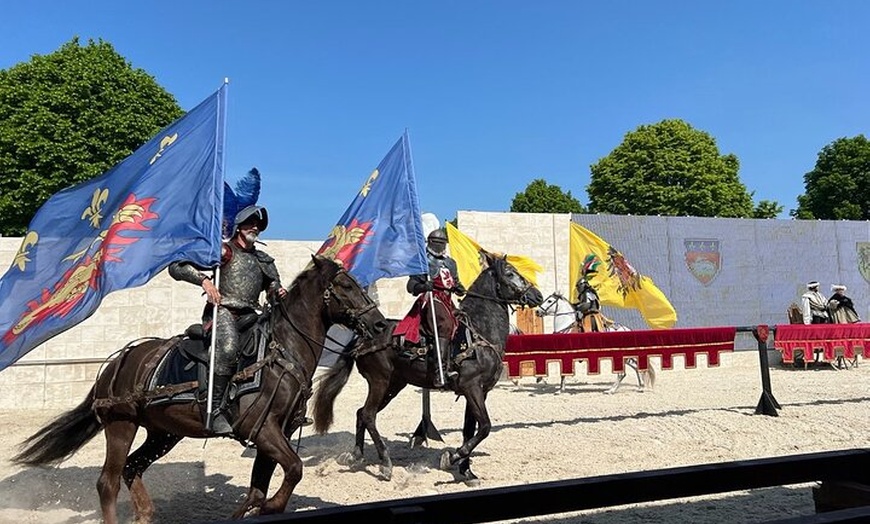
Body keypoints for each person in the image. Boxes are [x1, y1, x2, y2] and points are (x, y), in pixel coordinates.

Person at [168, 205, 287, 435]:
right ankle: (215, 410)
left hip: (251, 315)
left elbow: (272, 287)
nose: (255, 228)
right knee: (229, 346)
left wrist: (278, 292)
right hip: (223, 311)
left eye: (258, 225)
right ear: (239, 227)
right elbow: (177, 267)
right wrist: (204, 281)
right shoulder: (223, 251)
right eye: (250, 223)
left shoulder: (264, 260)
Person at [399, 228, 466, 387]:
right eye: (437, 242)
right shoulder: (423, 261)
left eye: (442, 242)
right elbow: (411, 286)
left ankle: (458, 361)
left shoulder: (450, 263)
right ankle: (439, 371)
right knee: (444, 324)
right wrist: (424, 286)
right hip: (431, 299)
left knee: (463, 321)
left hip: (447, 300)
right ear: (430, 242)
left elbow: (454, 282)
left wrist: (458, 288)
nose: (440, 245)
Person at [573, 254, 613, 332]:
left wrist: (576, 307)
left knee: (585, 331)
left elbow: (587, 304)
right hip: (591, 314)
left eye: (579, 286)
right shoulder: (589, 291)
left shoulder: (587, 293)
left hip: (590, 316)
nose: (578, 288)